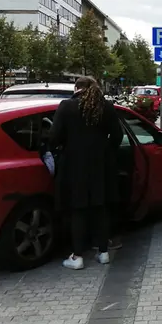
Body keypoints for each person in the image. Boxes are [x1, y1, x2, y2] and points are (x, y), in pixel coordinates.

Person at [51, 76, 123, 269]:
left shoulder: (66, 106)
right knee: (100, 207)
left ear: (76, 88)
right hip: (100, 165)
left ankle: (78, 256)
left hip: (74, 165)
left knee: (78, 208)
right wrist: (106, 151)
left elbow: (54, 136)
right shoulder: (105, 106)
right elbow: (118, 135)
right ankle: (103, 252)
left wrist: (60, 150)